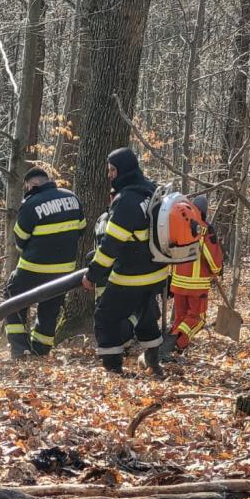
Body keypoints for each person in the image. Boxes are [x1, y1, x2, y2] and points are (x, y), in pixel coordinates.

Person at [83, 148, 169, 377]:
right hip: (157, 272)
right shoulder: (151, 189)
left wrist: (92, 275)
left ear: (123, 169)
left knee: (105, 316)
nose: (110, 175)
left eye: (113, 170)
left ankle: (113, 369)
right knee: (146, 314)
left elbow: (110, 246)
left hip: (131, 275)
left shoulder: (126, 201)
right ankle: (153, 363)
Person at [3, 167, 86, 358]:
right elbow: (81, 228)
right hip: (64, 270)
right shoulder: (72, 198)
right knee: (50, 309)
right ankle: (40, 351)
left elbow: (20, 240)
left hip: (32, 268)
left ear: (32, 184)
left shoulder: (31, 204)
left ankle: (20, 349)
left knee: (12, 298)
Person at [162, 195, 223, 355]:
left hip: (177, 283)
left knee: (180, 318)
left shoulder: (178, 224)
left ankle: (169, 348)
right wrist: (217, 269)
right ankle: (175, 345)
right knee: (197, 319)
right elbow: (213, 257)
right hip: (196, 285)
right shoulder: (204, 229)